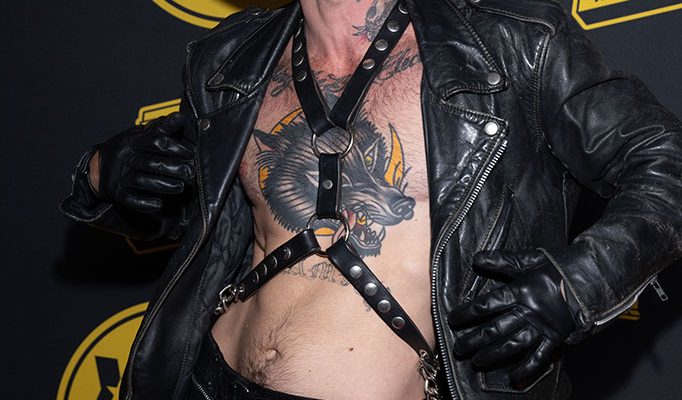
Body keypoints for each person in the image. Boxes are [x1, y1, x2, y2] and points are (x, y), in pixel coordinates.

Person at [60, 0, 682, 399]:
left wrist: (579, 284)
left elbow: (667, 165)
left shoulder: (515, 44)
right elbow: (195, 223)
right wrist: (103, 174)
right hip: (208, 380)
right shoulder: (228, 57)